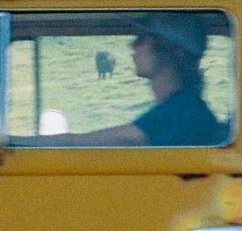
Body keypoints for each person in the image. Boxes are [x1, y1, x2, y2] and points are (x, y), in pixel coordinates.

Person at [41, 16, 224, 147]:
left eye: (143, 38)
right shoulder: (183, 106)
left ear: (169, 49)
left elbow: (119, 139)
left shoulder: (184, 111)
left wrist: (19, 144)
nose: (134, 46)